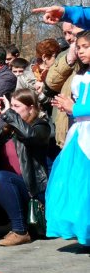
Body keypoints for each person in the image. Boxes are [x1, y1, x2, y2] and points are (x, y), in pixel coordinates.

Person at [45, 30, 90, 247]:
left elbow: (83, 106)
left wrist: (75, 107)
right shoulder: (80, 72)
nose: (81, 51)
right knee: (75, 184)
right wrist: (67, 105)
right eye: (79, 47)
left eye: (86, 47)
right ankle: (84, 232)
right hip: (79, 132)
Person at [0, 89, 50, 246]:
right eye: (12, 106)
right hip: (12, 188)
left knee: (1, 177)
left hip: (33, 189)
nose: (12, 110)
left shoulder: (41, 126)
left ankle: (20, 231)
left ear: (30, 107)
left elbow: (30, 136)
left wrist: (10, 114)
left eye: (16, 106)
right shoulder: (9, 130)